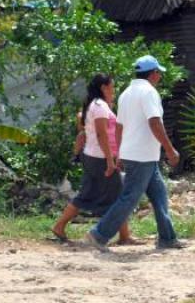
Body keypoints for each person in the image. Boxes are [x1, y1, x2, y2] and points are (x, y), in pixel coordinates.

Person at [83, 55, 186, 252]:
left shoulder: (126, 93)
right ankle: (99, 234)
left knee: (159, 195)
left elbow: (119, 127)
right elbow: (155, 122)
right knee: (129, 198)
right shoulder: (149, 93)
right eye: (159, 73)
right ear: (153, 74)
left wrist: (120, 152)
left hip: (138, 154)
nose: (160, 77)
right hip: (143, 155)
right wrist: (170, 149)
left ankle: (168, 238)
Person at [50, 74, 137, 245]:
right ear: (104, 87)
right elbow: (101, 133)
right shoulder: (99, 106)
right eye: (112, 86)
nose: (114, 89)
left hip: (94, 156)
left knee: (89, 194)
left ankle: (59, 226)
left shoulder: (97, 105)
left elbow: (87, 125)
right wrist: (110, 161)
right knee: (119, 196)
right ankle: (124, 236)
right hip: (100, 158)